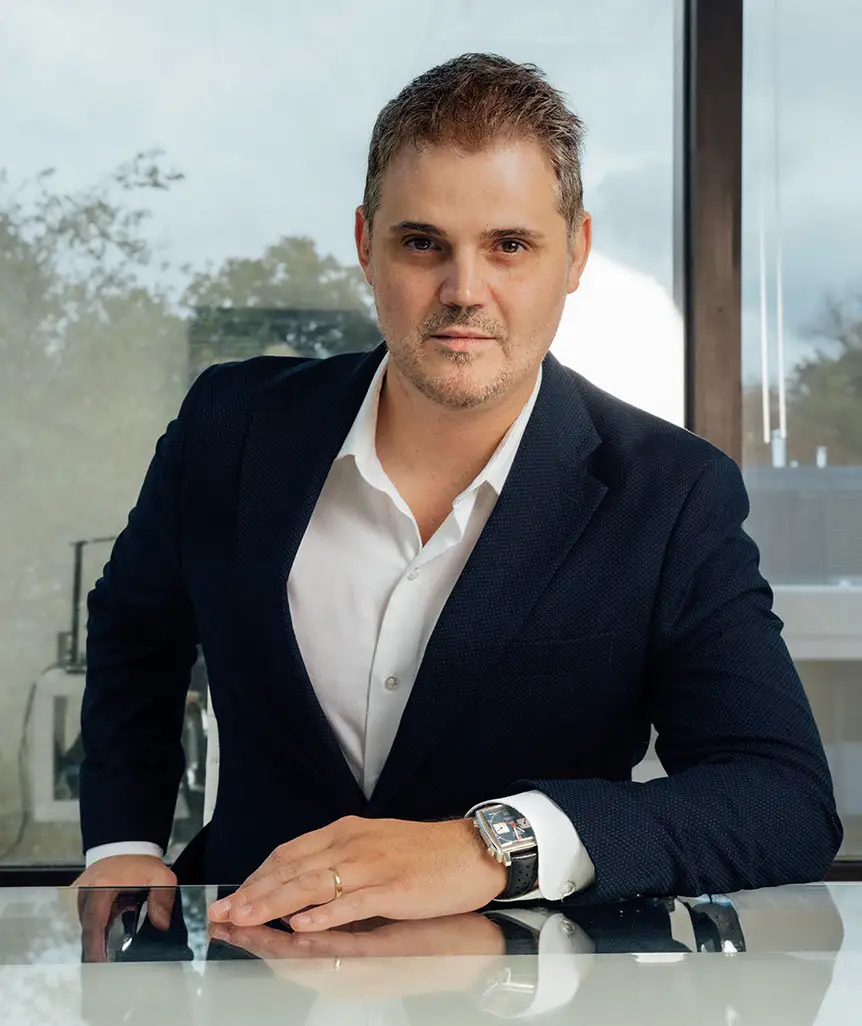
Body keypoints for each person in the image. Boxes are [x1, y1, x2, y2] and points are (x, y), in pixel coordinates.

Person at [73, 53, 842, 936]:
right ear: (365, 243)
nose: (463, 291)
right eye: (421, 243)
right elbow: (135, 629)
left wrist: (491, 847)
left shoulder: (671, 493)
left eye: (509, 246)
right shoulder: (230, 425)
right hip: (251, 958)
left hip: (537, 981)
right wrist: (121, 840)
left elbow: (780, 798)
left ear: (576, 253)